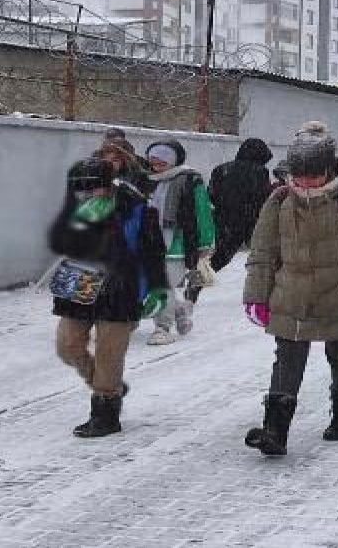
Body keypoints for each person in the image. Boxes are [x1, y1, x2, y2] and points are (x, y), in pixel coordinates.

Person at [243, 121, 338, 456]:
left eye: (314, 175)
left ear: (328, 169)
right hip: (291, 296)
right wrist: (256, 295)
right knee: (287, 360)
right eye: (300, 175)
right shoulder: (279, 201)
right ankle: (274, 431)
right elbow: (263, 251)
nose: (305, 183)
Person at [48, 151, 168, 437]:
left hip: (120, 288)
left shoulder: (137, 208)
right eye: (81, 188)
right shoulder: (75, 206)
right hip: (79, 286)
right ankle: (105, 383)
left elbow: (152, 252)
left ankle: (105, 411)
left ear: (109, 183)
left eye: (92, 186)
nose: (86, 193)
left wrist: (156, 288)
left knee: (109, 353)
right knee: (68, 345)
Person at [144, 139, 216, 345]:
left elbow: (202, 211)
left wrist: (205, 243)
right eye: (152, 158)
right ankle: (180, 311)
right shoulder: (149, 179)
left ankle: (162, 327)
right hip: (150, 238)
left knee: (163, 283)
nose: (155, 162)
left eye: (161, 157)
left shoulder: (189, 179)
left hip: (178, 240)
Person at [208, 138, 274, 271]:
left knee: (220, 256)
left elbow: (211, 194)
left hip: (223, 219)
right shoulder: (260, 172)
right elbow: (263, 198)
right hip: (250, 220)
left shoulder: (221, 169)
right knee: (260, 256)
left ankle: (200, 279)